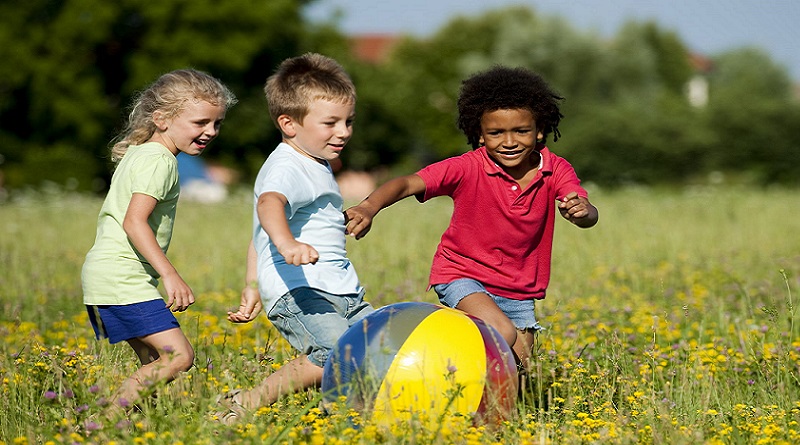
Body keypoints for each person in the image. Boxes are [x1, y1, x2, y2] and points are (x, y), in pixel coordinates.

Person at [344, 66, 598, 372]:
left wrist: (582, 211)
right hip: (462, 274)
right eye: (496, 132)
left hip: (519, 288)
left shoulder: (555, 169)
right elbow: (409, 183)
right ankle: (432, 345)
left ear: (539, 130)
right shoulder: (467, 167)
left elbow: (586, 210)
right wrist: (369, 207)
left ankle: (492, 416)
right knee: (498, 333)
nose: (509, 141)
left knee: (519, 367)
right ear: (479, 135)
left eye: (521, 131)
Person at [217, 53, 374, 423]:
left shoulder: (314, 162)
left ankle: (360, 418)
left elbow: (260, 232)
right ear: (289, 123)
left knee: (372, 347)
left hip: (339, 288)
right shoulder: (287, 165)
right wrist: (288, 245)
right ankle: (251, 402)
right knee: (335, 353)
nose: (344, 132)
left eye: (348, 121)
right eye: (331, 123)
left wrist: (252, 283)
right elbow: (269, 206)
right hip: (302, 290)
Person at [81, 69, 236, 419]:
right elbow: (134, 221)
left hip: (108, 274)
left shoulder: (142, 153)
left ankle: (136, 427)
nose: (210, 132)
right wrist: (170, 274)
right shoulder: (160, 161)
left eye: (217, 124)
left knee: (153, 364)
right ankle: (98, 425)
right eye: (200, 122)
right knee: (179, 356)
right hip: (122, 277)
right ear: (162, 119)